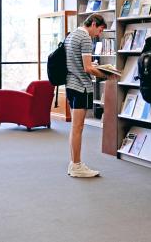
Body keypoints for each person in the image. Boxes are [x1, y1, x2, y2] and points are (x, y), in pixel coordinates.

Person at [65, 13, 108, 178]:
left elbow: (77, 62)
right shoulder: (84, 38)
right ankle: (76, 165)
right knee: (78, 127)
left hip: (70, 84)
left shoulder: (72, 35)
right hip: (81, 86)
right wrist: (107, 74)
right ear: (94, 23)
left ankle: (74, 163)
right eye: (100, 30)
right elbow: (88, 68)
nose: (98, 34)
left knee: (75, 128)